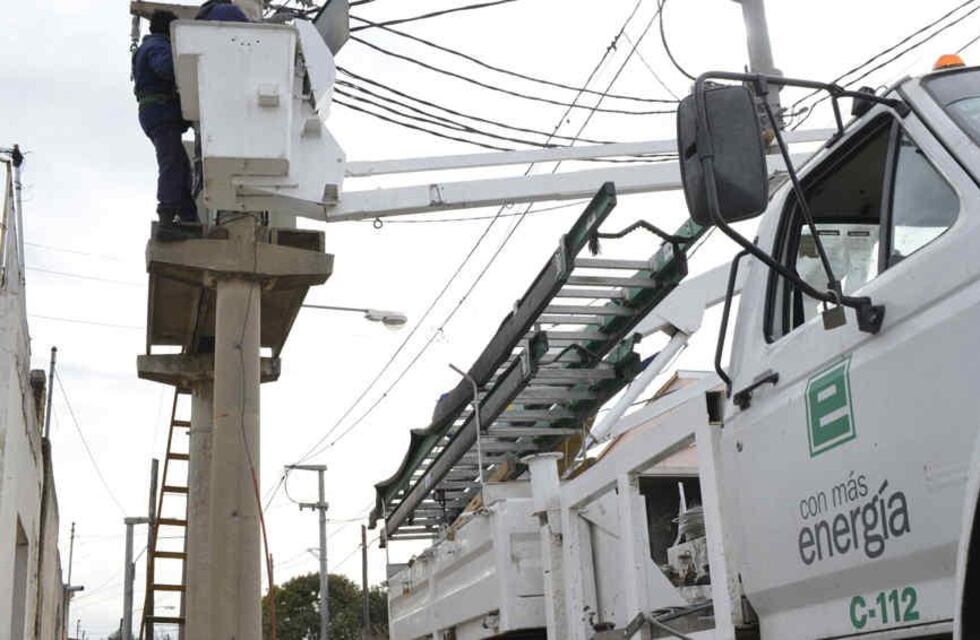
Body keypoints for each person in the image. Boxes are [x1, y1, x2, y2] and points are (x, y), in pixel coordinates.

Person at [132, 10, 197, 230]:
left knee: (180, 165)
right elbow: (166, 68)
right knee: (171, 164)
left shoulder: (148, 47)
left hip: (155, 113)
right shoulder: (158, 47)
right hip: (160, 112)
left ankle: (188, 217)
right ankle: (168, 216)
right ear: (170, 30)